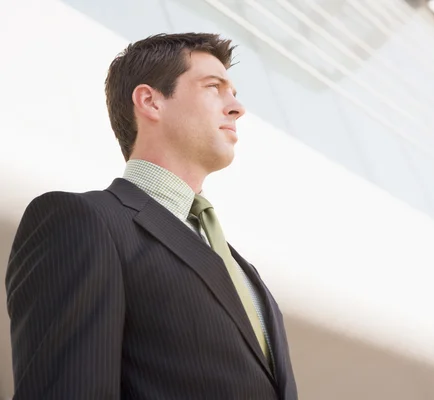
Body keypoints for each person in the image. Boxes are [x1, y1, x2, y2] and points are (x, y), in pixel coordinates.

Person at [5, 33, 297, 399]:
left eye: (234, 91)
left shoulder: (246, 274)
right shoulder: (82, 222)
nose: (237, 107)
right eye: (214, 87)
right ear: (150, 101)